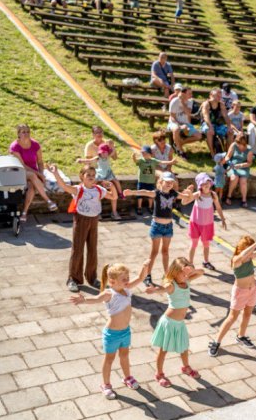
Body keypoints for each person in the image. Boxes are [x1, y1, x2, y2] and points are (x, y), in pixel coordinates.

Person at [69, 263, 146, 399]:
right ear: (112, 281)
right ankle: (106, 385)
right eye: (124, 279)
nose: (127, 280)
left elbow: (140, 278)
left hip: (125, 332)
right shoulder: (109, 293)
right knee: (109, 359)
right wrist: (84, 300)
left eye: (127, 277)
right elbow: (96, 299)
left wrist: (145, 267)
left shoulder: (127, 289)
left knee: (124, 356)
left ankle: (128, 377)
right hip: (112, 334)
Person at [208, 229, 256, 356]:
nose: (252, 251)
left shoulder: (250, 257)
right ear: (242, 248)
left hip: (252, 290)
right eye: (249, 249)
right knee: (232, 317)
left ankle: (241, 336)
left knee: (247, 315)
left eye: (252, 249)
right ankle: (216, 342)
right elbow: (243, 255)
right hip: (240, 292)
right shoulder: (236, 259)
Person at [50, 164, 117, 292]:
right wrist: (55, 173)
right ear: (82, 177)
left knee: (93, 249)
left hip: (94, 220)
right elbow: (64, 186)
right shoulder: (78, 189)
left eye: (93, 175)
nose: (91, 177)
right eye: (88, 175)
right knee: (78, 249)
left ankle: (92, 278)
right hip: (81, 220)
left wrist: (112, 186)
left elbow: (114, 197)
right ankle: (73, 279)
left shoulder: (98, 189)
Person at [123, 173, 193, 286]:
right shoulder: (156, 193)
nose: (169, 184)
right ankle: (147, 275)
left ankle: (167, 275)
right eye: (167, 181)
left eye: (171, 182)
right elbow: (144, 192)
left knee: (165, 252)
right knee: (154, 252)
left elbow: (186, 197)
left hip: (168, 227)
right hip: (157, 226)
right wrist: (131, 192)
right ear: (161, 182)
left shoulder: (173, 193)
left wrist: (188, 192)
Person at [146, 258, 204, 387]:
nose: (185, 275)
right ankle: (159, 374)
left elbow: (201, 272)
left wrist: (191, 270)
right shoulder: (172, 285)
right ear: (175, 272)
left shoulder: (187, 281)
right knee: (163, 350)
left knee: (184, 347)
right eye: (183, 273)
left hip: (179, 323)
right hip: (169, 322)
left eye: (187, 273)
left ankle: (186, 367)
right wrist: (154, 290)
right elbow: (163, 289)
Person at [9, 125, 58, 220]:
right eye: (23, 132)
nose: (26, 134)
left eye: (28, 132)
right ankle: (48, 200)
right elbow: (22, 165)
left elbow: (40, 162)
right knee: (32, 175)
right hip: (18, 171)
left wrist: (41, 173)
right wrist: (39, 175)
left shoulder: (35, 144)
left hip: (34, 173)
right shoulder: (14, 146)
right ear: (18, 134)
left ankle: (24, 212)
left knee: (31, 186)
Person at [184, 173, 227, 269]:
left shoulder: (213, 194)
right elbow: (184, 202)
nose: (206, 184)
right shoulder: (198, 194)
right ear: (200, 185)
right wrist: (188, 193)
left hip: (207, 224)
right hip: (195, 223)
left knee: (206, 244)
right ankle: (190, 263)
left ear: (211, 183)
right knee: (194, 244)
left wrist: (223, 219)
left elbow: (218, 207)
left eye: (207, 181)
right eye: (203, 183)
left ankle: (206, 262)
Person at [77, 143, 122, 220]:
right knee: (97, 193)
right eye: (102, 152)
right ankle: (98, 213)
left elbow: (113, 152)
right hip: (100, 178)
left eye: (105, 152)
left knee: (113, 193)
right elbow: (89, 160)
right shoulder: (98, 158)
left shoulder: (108, 157)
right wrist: (81, 160)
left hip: (108, 177)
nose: (104, 154)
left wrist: (113, 146)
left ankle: (114, 212)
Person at [131, 146, 175, 216]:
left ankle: (150, 207)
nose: (143, 154)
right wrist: (133, 156)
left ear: (150, 154)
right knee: (140, 195)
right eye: (142, 153)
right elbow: (135, 160)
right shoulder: (141, 161)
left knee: (151, 196)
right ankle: (139, 207)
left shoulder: (153, 161)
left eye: (145, 153)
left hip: (150, 182)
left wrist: (170, 162)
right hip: (142, 181)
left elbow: (162, 162)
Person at [167, 87, 202, 158]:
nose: (191, 95)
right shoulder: (174, 101)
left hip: (186, 124)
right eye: (189, 93)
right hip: (174, 123)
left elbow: (188, 113)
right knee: (176, 129)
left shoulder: (190, 101)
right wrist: (180, 126)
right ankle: (180, 150)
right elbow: (172, 117)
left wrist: (182, 102)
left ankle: (178, 144)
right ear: (183, 94)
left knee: (199, 136)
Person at [221, 133, 253, 207]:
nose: (238, 144)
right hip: (232, 165)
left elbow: (249, 163)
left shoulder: (249, 149)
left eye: (240, 143)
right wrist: (228, 162)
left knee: (243, 181)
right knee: (234, 178)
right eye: (238, 142)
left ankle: (244, 200)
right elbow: (227, 157)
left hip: (243, 167)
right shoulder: (234, 145)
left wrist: (241, 165)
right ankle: (228, 196)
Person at [200, 88, 231, 157]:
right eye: (217, 96)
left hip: (218, 124)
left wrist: (229, 126)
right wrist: (210, 127)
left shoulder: (221, 104)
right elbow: (206, 117)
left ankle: (228, 153)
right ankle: (212, 153)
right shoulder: (206, 104)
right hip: (207, 124)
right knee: (209, 132)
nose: (219, 98)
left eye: (220, 96)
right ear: (211, 95)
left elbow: (226, 116)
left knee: (230, 133)